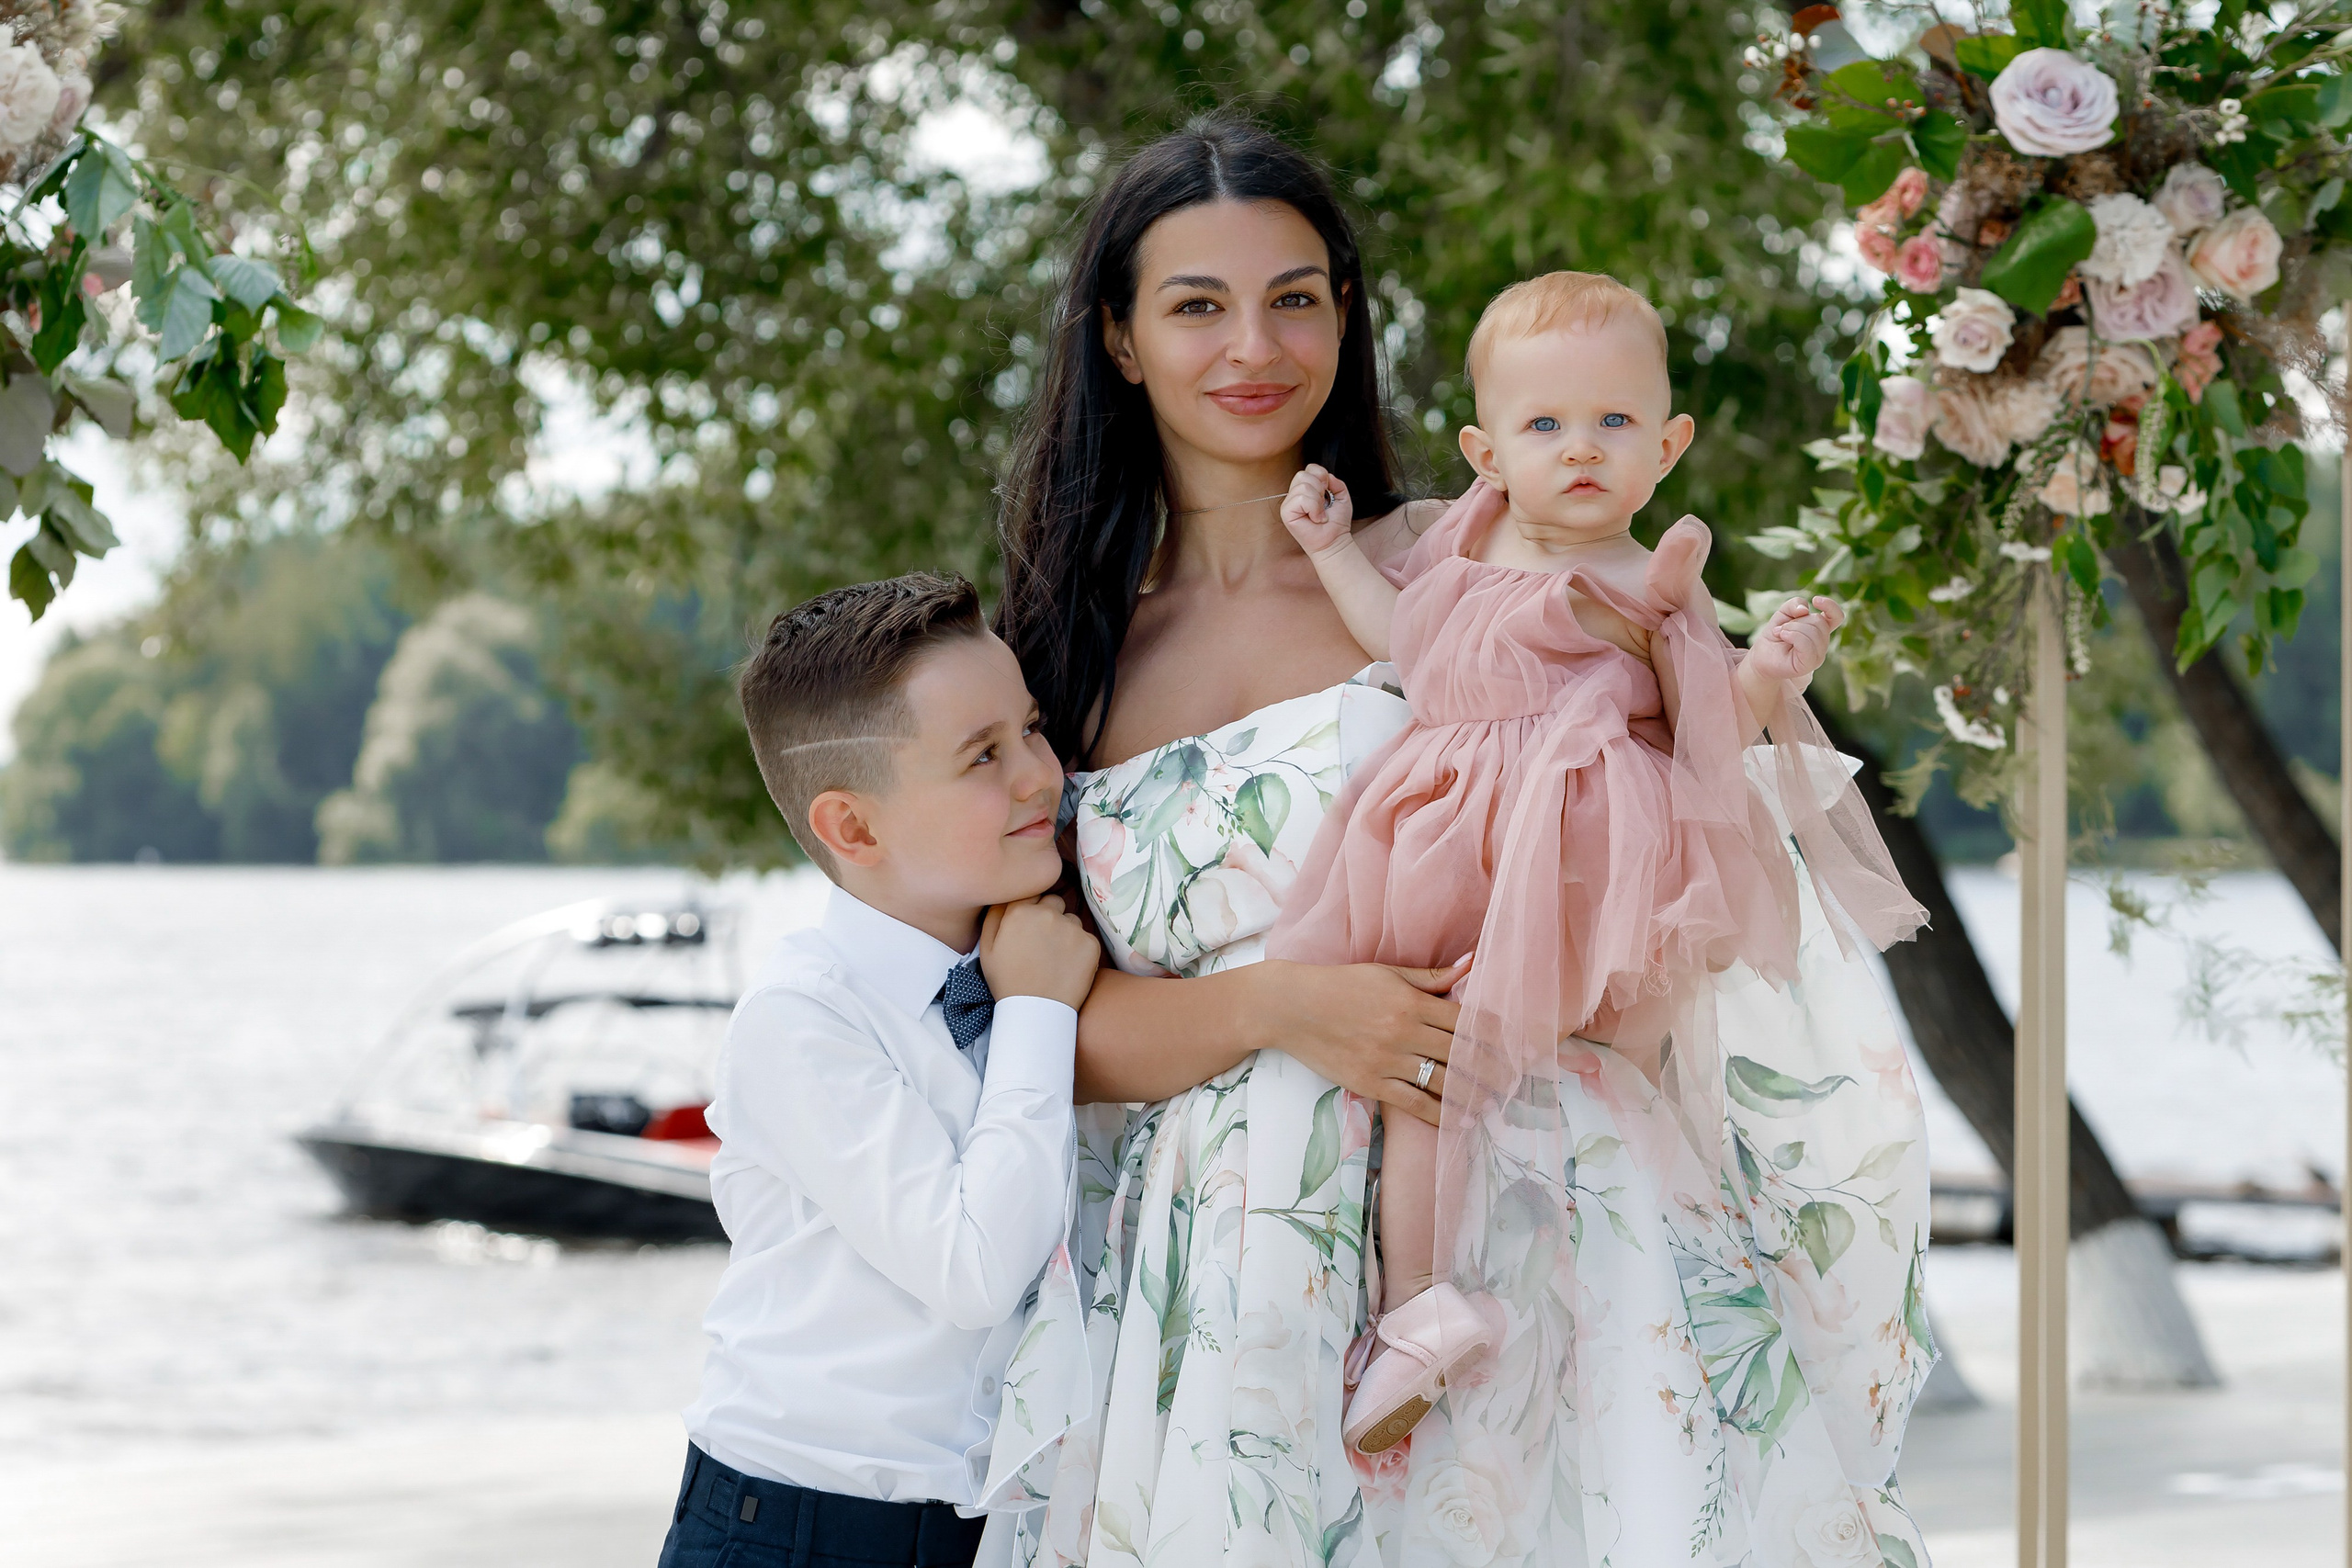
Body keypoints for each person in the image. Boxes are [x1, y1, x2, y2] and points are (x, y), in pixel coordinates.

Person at [982, 118, 1943, 1568]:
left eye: (1295, 297)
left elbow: (1676, 831)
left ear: (1345, 315)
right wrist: (1285, 1006)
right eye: (1196, 305)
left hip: (1540, 1196)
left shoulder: (1478, 557)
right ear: (1119, 337)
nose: (1254, 345)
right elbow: (1036, 1024)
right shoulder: (1058, 654)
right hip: (1234, 1259)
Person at [1267, 263, 1933, 1535]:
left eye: (1614, 421)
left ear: (1667, 446)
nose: (1580, 449)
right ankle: (1422, 1301)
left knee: (1574, 1068)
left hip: (1583, 859)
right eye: (1546, 424)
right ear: (1487, 453)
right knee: (1428, 1061)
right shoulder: (1461, 547)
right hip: (1444, 839)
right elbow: (1394, 638)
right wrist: (1324, 546)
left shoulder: (1653, 580)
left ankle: (1584, 1265)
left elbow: (1710, 726)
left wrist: (1771, 672)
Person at [661, 573, 1102, 1568]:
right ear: (854, 829)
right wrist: (1035, 1010)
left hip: (990, 1534)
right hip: (795, 1531)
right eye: (983, 755)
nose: (1041, 775)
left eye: (1032, 729)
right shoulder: (800, 1019)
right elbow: (973, 1269)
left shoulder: (1034, 950)